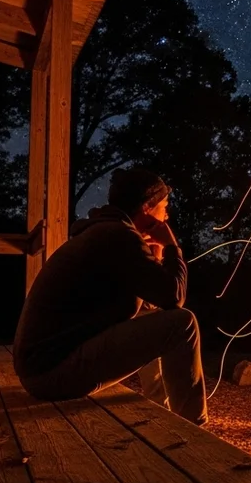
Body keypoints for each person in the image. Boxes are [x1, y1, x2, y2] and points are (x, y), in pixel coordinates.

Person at [12, 167, 207, 425]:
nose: (167, 214)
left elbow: (153, 306)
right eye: (165, 206)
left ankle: (162, 409)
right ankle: (195, 428)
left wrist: (155, 258)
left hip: (41, 369)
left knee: (157, 318)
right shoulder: (118, 236)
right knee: (183, 324)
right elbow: (174, 297)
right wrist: (172, 247)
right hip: (52, 374)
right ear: (148, 209)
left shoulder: (107, 233)